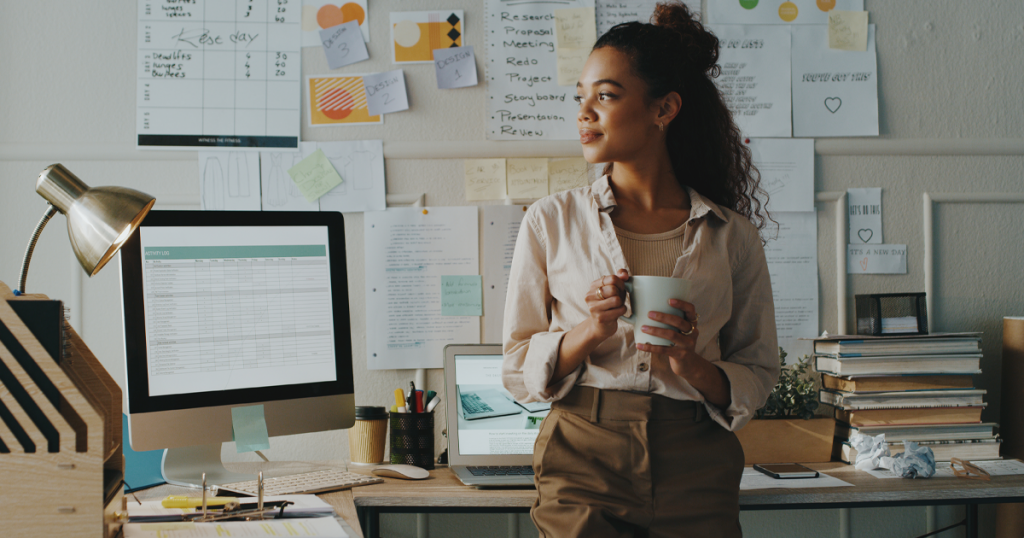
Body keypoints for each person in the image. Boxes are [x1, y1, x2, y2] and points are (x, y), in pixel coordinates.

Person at [501, 3, 781, 537]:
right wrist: (592, 329)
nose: (584, 113)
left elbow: (759, 369)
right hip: (582, 454)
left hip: (698, 459)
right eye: (580, 97)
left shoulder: (731, 234)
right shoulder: (550, 220)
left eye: (605, 96)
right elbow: (517, 365)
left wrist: (689, 364)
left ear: (664, 109)